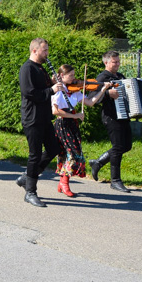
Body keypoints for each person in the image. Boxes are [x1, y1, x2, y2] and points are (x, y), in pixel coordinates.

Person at [88, 51, 142, 193]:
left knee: (126, 146)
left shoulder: (120, 77)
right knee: (117, 147)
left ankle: (98, 163)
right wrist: (106, 93)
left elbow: (129, 96)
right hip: (111, 117)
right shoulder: (102, 77)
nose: (117, 64)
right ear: (106, 63)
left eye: (118, 61)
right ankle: (115, 180)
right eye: (114, 62)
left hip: (123, 116)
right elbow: (92, 97)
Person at [16, 38, 67, 208]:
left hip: (44, 117)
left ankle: (27, 177)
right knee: (34, 154)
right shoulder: (27, 68)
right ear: (34, 51)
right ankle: (30, 192)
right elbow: (30, 92)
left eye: (47, 51)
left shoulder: (40, 68)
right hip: (32, 118)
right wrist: (51, 89)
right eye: (44, 51)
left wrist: (52, 82)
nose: (47, 54)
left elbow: (43, 88)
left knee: (53, 148)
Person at [51, 64, 111, 197]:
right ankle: (64, 183)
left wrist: (103, 89)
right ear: (61, 76)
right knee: (73, 153)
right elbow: (55, 111)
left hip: (73, 124)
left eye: (74, 75)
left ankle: (63, 182)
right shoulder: (58, 91)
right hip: (62, 124)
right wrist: (75, 115)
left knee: (73, 154)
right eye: (71, 75)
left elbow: (90, 102)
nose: (74, 79)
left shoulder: (75, 91)